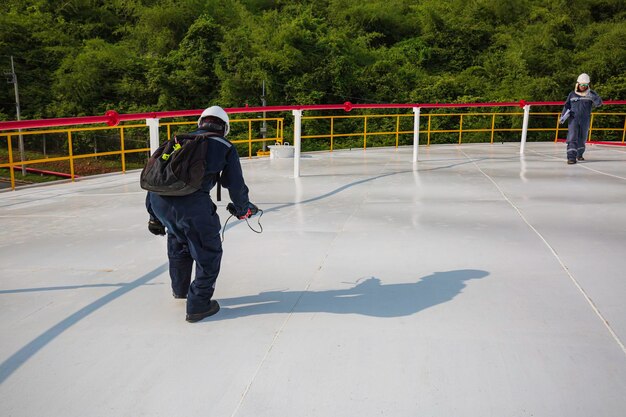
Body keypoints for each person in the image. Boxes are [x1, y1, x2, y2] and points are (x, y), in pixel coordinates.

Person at [146, 105, 258, 322]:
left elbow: (158, 178)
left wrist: (153, 215)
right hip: (192, 206)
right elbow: (235, 185)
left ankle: (180, 290)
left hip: (159, 202)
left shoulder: (178, 140)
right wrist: (243, 209)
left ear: (200, 122)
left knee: (179, 239)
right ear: (224, 127)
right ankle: (198, 305)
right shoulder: (224, 145)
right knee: (208, 251)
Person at [560, 73, 603, 164]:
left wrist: (594, 96)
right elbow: (567, 106)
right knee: (572, 137)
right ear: (578, 84)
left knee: (582, 137)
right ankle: (571, 157)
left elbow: (598, 104)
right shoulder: (572, 95)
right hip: (573, 119)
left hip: (585, 119)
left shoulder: (590, 94)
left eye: (585, 85)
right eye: (582, 85)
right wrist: (563, 116)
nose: (583, 87)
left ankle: (579, 154)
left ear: (588, 85)